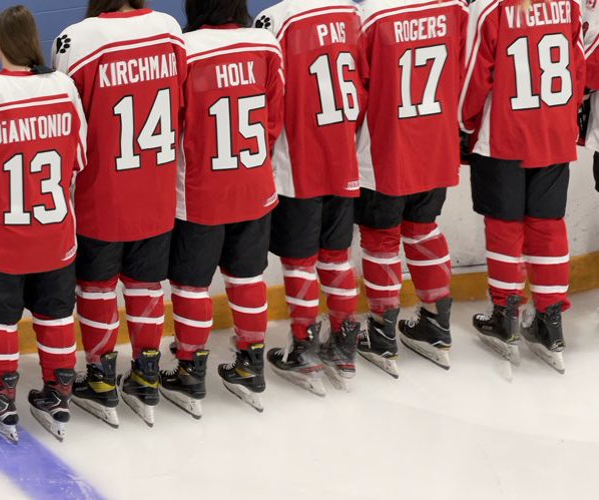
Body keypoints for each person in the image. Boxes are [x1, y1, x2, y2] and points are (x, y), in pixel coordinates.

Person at [53, 0, 186, 428]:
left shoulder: (77, 38)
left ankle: (101, 378)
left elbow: (66, 116)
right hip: (156, 183)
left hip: (102, 190)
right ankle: (147, 374)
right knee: (146, 284)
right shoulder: (167, 28)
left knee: (96, 286)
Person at [0, 5, 86, 443]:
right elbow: (79, 160)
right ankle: (58, 392)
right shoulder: (64, 86)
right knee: (54, 315)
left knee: (0, 320)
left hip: (0, 234)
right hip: (55, 231)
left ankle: (2, 395)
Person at [164, 0, 284, 415]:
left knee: (191, 285)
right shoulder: (265, 44)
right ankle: (251, 364)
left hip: (199, 191)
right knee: (249, 276)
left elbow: (173, 121)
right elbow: (274, 115)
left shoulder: (184, 48)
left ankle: (189, 370)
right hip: (254, 184)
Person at [347, 0, 468, 376]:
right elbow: (465, 73)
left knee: (381, 239)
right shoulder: (454, 9)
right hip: (435, 144)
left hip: (385, 151)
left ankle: (382, 336)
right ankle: (436, 324)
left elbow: (356, 94)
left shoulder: (368, 18)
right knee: (423, 228)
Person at [463, 0, 583, 374]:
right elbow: (577, 68)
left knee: (504, 225)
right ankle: (550, 323)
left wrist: (465, 126)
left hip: (504, 134)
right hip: (553, 130)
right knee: (548, 224)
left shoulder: (489, 7)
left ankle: (506, 316)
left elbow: (472, 79)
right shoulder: (570, 4)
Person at [254, 0, 369, 381]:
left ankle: (303, 345)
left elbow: (266, 95)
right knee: (337, 255)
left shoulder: (276, 20)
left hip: (297, 162)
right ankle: (344, 340)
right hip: (343, 156)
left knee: (300, 261)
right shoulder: (351, 12)